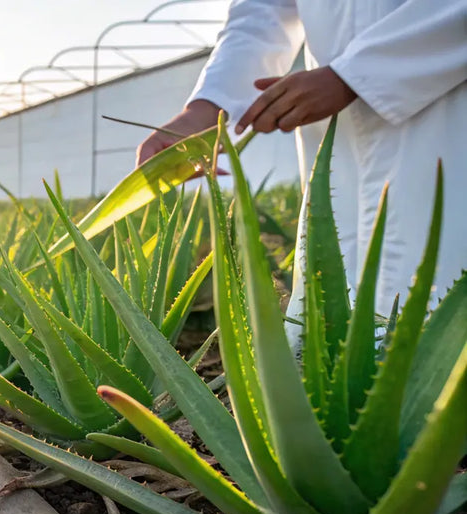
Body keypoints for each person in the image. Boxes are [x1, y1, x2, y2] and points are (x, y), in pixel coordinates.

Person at [136, 0, 466, 326]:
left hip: (447, 110)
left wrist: (356, 74)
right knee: (336, 303)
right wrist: (209, 107)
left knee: (443, 291)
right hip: (336, 135)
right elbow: (262, 11)